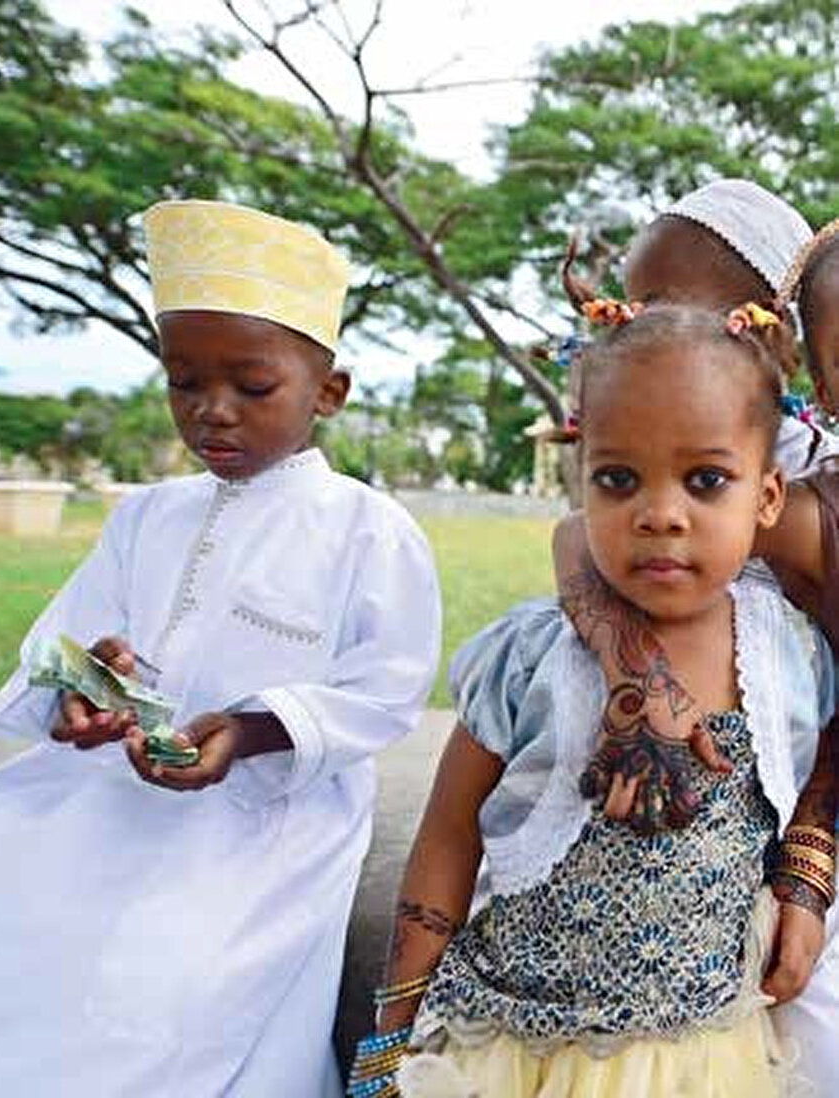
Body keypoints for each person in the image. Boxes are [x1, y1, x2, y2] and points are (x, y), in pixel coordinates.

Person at [0, 200, 441, 1097]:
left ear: (329, 392)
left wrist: (250, 733)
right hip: (104, 791)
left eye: (252, 388)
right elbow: (68, 643)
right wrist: (85, 692)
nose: (212, 413)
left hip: (264, 820)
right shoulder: (146, 515)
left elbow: (385, 691)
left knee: (162, 989)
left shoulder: (368, 529)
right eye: (183, 384)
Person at [347, 302, 833, 1098]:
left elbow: (799, 800)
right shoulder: (527, 657)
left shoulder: (793, 659)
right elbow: (446, 835)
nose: (660, 513)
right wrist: (390, 1033)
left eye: (706, 480)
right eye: (618, 478)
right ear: (579, 487)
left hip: (706, 1060)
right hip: (509, 1053)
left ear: (769, 496)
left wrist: (804, 892)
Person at [554, 183, 839, 1056]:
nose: (642, 335)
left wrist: (810, 861)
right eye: (628, 312)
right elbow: (574, 537)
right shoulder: (704, 467)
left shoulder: (799, 489)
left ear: (778, 339)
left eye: (670, 311)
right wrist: (636, 671)